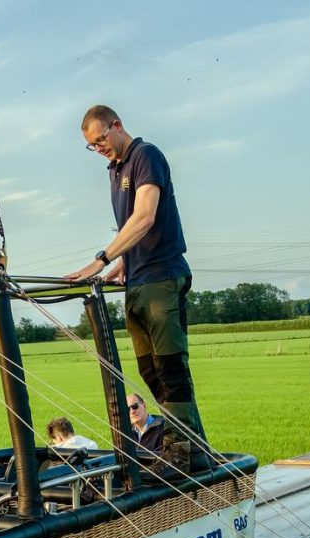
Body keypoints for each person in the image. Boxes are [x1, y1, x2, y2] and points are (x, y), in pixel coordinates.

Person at [66, 105, 208, 476]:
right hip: (138, 279)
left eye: (101, 140)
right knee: (150, 371)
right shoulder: (114, 171)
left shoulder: (145, 156)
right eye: (92, 146)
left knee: (171, 368)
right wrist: (124, 264)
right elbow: (130, 228)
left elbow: (145, 216)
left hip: (162, 276)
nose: (99, 149)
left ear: (117, 125)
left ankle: (180, 454)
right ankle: (195, 450)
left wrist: (101, 260)